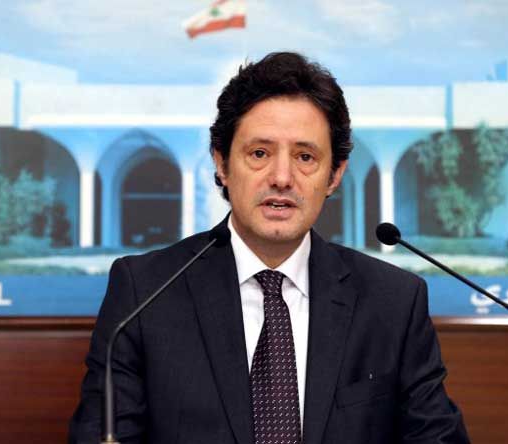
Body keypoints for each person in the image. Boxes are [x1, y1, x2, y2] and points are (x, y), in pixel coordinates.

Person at [69, 52, 469, 444]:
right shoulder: (144, 293)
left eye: (305, 156)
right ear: (222, 164)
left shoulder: (393, 301)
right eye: (259, 153)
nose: (281, 177)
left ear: (334, 175)